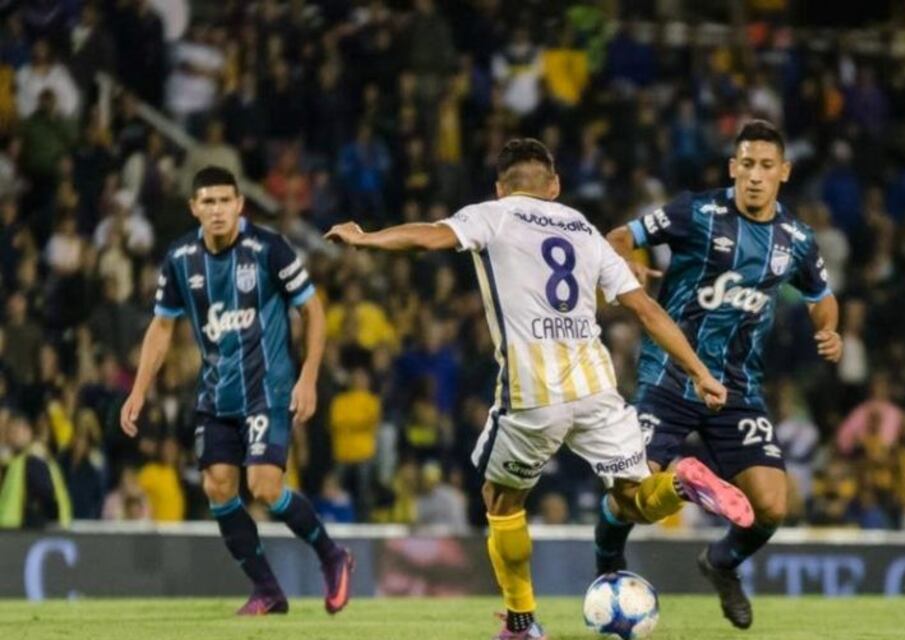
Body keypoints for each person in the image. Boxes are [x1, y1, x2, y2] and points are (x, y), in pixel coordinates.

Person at [327, 139, 753, 640]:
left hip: (535, 393)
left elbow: (432, 236)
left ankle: (522, 623)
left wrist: (368, 239)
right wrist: (700, 371)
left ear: (500, 187)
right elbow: (646, 310)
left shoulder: (493, 214)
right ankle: (681, 483)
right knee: (634, 499)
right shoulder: (585, 230)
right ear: (554, 186)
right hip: (597, 388)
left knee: (501, 500)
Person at [594, 120, 842, 630]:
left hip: (737, 390)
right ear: (733, 167)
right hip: (670, 378)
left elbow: (821, 296)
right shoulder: (696, 212)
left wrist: (829, 330)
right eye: (746, 164)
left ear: (784, 172)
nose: (755, 175)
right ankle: (608, 567)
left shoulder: (796, 239)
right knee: (629, 491)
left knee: (771, 506)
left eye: (766, 166)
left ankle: (722, 563)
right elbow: (618, 237)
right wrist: (627, 261)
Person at [120, 166, 352, 616]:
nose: (218, 209)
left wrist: (308, 377)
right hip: (216, 395)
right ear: (194, 208)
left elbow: (313, 311)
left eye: (225, 200)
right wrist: (138, 390)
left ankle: (332, 555)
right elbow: (162, 327)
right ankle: (268, 590)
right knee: (218, 487)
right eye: (208, 201)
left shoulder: (268, 248)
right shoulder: (180, 258)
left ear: (240, 204)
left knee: (263, 486)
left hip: (268, 389)